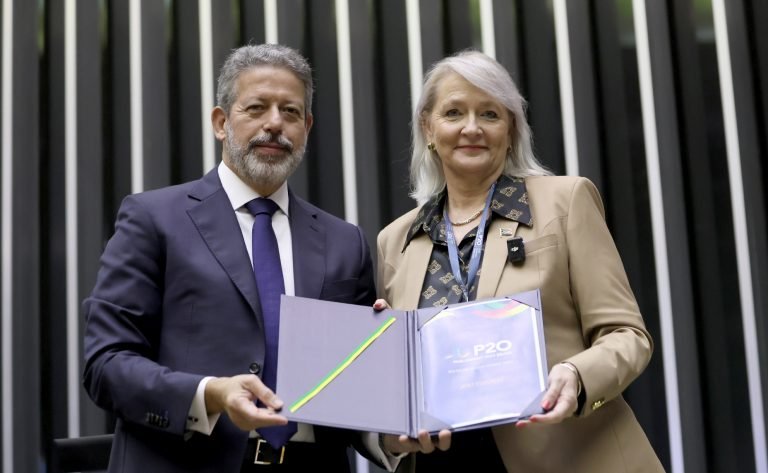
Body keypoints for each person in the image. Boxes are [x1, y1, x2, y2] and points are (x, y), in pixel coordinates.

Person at [83, 43, 382, 473]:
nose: (274, 124)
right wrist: (211, 394)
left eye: (291, 112)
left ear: (308, 127)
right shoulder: (154, 219)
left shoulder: (344, 241)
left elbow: (352, 383)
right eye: (257, 108)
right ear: (221, 122)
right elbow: (106, 363)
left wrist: (389, 430)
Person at [375, 50, 665, 472]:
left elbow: (628, 335)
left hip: (567, 456)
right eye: (454, 112)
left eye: (490, 114)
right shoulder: (395, 240)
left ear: (510, 129)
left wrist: (576, 376)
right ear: (429, 128)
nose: (471, 128)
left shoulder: (565, 202)